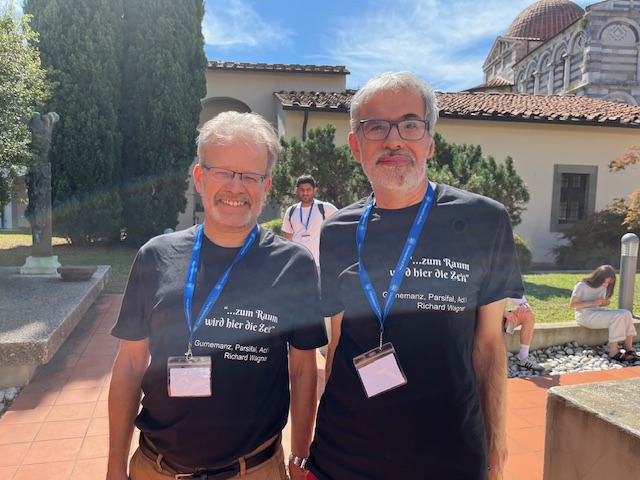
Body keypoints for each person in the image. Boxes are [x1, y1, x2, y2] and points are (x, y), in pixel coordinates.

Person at [307, 72, 524, 480]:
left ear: (430, 142)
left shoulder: (484, 220)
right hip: (344, 457)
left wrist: (496, 448)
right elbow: (337, 344)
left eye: (410, 125)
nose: (393, 140)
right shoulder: (337, 230)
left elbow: (489, 346)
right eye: (375, 127)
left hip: (448, 457)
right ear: (356, 145)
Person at [106, 111, 327, 480]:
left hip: (254, 471)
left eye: (250, 176)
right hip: (156, 468)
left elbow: (303, 369)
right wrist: (115, 467)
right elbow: (129, 364)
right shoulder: (155, 256)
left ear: (266, 186)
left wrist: (300, 455)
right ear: (199, 177)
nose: (236, 188)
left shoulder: (293, 264)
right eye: (223, 172)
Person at [569, 264, 638, 362]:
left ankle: (629, 350)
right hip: (584, 316)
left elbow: (599, 303)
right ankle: (614, 352)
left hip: (597, 313)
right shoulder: (582, 285)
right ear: (597, 278)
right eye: (605, 282)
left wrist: (605, 303)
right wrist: (593, 302)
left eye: (609, 283)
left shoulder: (603, 287)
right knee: (617, 316)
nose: (606, 285)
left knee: (626, 313)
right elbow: (572, 304)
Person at [281, 175, 337, 270]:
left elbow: (342, 223)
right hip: (298, 264)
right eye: (302, 190)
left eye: (308, 189)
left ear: (314, 190)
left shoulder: (325, 208)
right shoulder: (291, 211)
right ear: (297, 190)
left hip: (320, 264)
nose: (305, 193)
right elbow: (286, 239)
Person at [504, 296, 544, 372]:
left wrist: (524, 306)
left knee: (528, 315)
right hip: (484, 320)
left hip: (500, 319)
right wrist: (503, 313)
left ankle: (523, 358)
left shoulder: (509, 287)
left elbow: (525, 303)